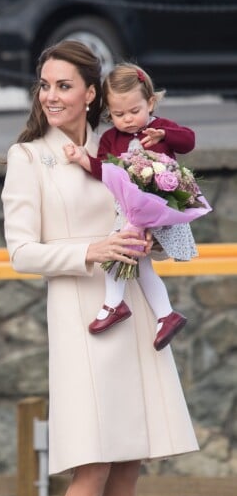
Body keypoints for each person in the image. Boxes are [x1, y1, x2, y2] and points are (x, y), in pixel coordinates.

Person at [1, 41, 198, 496]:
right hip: (82, 317)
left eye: (63, 85)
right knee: (91, 464)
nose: (50, 96)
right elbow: (20, 251)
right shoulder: (28, 157)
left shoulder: (122, 143)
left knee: (129, 462)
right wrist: (91, 250)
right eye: (44, 85)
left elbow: (145, 205)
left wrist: (152, 237)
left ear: (91, 93)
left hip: (133, 306)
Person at [63, 62, 196, 350]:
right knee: (137, 262)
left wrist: (165, 136)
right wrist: (82, 159)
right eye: (118, 114)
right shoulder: (111, 139)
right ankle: (165, 315)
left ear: (150, 102)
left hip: (160, 207)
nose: (128, 120)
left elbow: (189, 140)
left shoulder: (159, 127)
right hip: (131, 211)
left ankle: (114, 305)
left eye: (135, 111)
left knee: (117, 250)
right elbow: (105, 171)